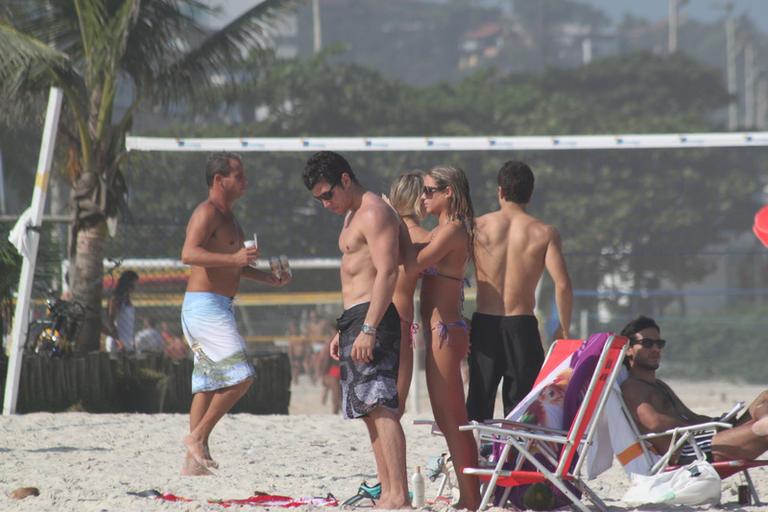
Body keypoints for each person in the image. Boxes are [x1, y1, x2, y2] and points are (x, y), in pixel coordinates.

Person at [303, 150, 409, 508]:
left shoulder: (374, 211)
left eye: (327, 195)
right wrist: (344, 327)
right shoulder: (350, 214)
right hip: (356, 317)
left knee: (382, 407)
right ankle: (388, 490)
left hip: (373, 318)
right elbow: (355, 274)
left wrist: (368, 327)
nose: (324, 204)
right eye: (318, 199)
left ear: (345, 179)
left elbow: (387, 272)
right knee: (367, 412)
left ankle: (399, 496)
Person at [180, 152, 291, 476]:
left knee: (208, 383)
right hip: (203, 306)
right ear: (219, 180)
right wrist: (237, 258)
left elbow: (234, 265)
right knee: (241, 376)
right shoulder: (207, 212)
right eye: (239, 176)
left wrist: (269, 278)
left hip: (218, 305)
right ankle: (197, 437)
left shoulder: (231, 218)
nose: (245, 182)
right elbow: (188, 253)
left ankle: (193, 463)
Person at [467, 160, 573, 421]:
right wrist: (563, 327)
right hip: (522, 325)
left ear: (500, 191)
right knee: (524, 406)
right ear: (530, 193)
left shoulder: (477, 227)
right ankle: (515, 457)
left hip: (485, 322)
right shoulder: (544, 232)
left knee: (479, 400)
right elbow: (562, 284)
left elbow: (453, 272)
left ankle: (474, 457)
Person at [407, 165, 480, 510]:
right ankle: (470, 492)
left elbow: (415, 262)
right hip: (443, 330)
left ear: (448, 192)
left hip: (445, 332)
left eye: (429, 190)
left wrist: (403, 223)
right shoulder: (443, 229)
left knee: (453, 417)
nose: (423, 196)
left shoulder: (451, 230)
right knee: (448, 416)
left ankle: (471, 496)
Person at [620, 315, 768, 464]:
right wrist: (699, 429)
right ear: (628, 350)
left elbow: (691, 416)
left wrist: (717, 422)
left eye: (659, 344)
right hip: (688, 450)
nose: (655, 349)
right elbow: (654, 422)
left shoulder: (659, 385)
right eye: (647, 343)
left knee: (765, 398)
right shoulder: (632, 387)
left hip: (700, 438)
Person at [388, 172, 430, 417]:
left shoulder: (382, 231)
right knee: (397, 404)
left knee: (378, 404)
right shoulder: (425, 238)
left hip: (372, 313)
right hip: (401, 318)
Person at [104, 271, 139, 354]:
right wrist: (118, 341)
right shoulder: (117, 299)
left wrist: (132, 341)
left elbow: (129, 323)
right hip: (118, 342)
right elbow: (111, 321)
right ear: (129, 284)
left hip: (127, 341)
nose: (136, 286)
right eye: (135, 283)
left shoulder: (127, 299)